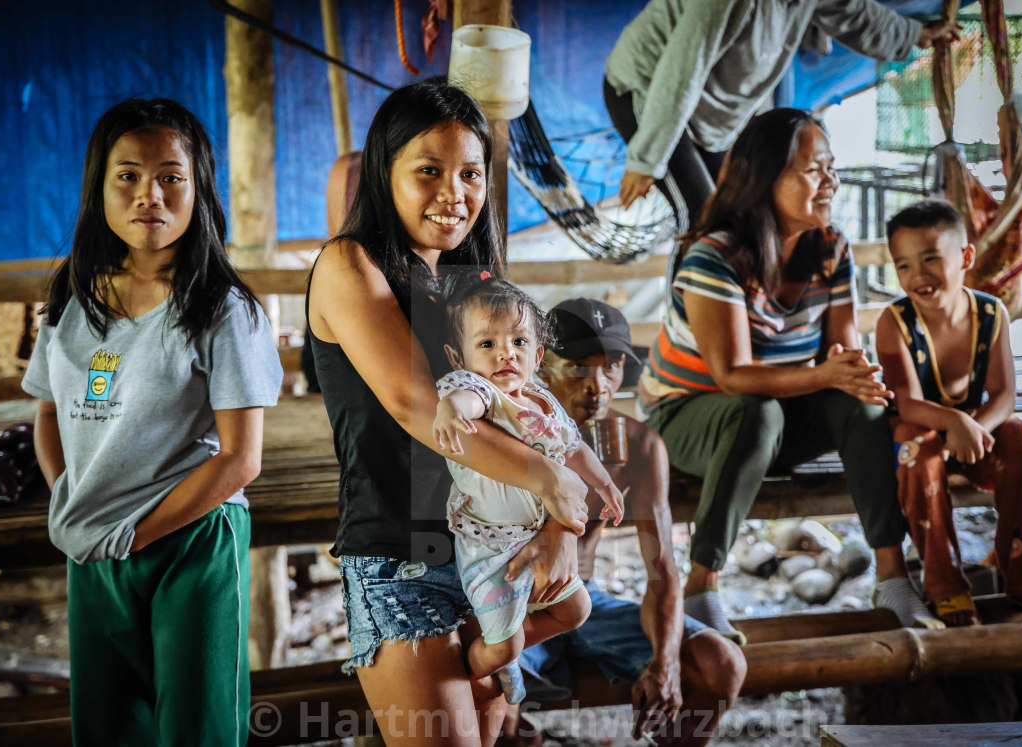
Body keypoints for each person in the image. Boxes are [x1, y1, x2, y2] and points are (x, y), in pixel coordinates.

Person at [306, 79, 590, 746]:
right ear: (385, 171)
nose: (453, 192)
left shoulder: (473, 289)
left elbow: (529, 410)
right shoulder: (351, 265)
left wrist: (562, 519)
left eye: (470, 173)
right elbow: (415, 406)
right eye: (428, 171)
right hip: (403, 553)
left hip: (489, 547)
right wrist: (555, 484)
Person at [23, 98, 282, 745]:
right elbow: (48, 413)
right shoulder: (70, 299)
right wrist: (69, 496)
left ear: (199, 190)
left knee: (199, 726)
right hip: (94, 546)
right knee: (109, 725)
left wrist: (138, 532)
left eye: (172, 176)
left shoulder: (223, 311)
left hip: (191, 538)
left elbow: (240, 458)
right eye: (129, 175)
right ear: (99, 187)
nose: (150, 194)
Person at [637, 107, 941, 638]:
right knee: (755, 413)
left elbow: (840, 354)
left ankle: (893, 578)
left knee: (861, 403)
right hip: (684, 414)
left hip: (772, 411)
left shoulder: (832, 249)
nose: (830, 181)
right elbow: (732, 375)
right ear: (765, 179)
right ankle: (702, 586)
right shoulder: (717, 256)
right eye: (812, 169)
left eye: (831, 167)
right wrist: (829, 374)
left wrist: (856, 375)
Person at [502, 297, 745, 746]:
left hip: (583, 599)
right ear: (542, 365)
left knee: (721, 664)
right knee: (495, 704)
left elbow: (661, 569)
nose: (599, 386)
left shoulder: (637, 443)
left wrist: (665, 664)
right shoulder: (501, 433)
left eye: (611, 367)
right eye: (578, 366)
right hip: (507, 604)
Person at [875, 200, 1022, 626]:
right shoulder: (894, 322)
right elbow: (908, 403)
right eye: (903, 266)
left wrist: (973, 427)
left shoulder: (992, 314)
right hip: (922, 433)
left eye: (931, 258)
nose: (917, 275)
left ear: (966, 257)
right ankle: (945, 586)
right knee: (916, 444)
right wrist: (954, 422)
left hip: (978, 430)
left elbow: (1005, 395)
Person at [433, 275, 624, 705]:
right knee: (504, 645)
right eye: (486, 344)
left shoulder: (541, 399)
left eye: (519, 342)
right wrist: (449, 408)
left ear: (538, 355)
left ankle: (510, 642)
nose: (505, 353)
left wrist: (605, 483)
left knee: (577, 610)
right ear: (457, 358)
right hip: (492, 551)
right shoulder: (484, 392)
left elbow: (573, 447)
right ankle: (479, 663)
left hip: (535, 539)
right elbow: (467, 400)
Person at [604, 0, 961, 229]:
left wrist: (917, 34)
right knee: (704, 221)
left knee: (734, 219)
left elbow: (855, 13)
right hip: (649, 91)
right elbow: (682, 70)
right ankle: (692, 331)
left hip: (708, 113)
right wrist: (647, 160)